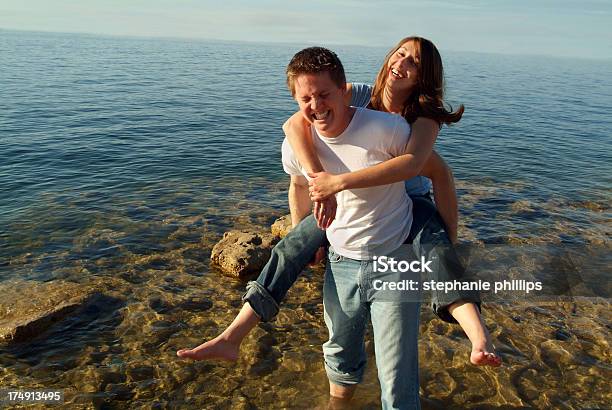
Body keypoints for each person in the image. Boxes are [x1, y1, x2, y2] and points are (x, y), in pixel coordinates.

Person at [177, 39, 500, 376]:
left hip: (407, 199)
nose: (401, 64)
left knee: (438, 251)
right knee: (290, 247)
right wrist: (320, 187)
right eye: (400, 53)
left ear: (425, 75)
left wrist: (450, 235)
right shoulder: (356, 94)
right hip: (346, 201)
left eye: (414, 62)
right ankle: (233, 336)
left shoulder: (423, 117)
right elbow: (295, 123)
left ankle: (478, 337)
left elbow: (417, 167)